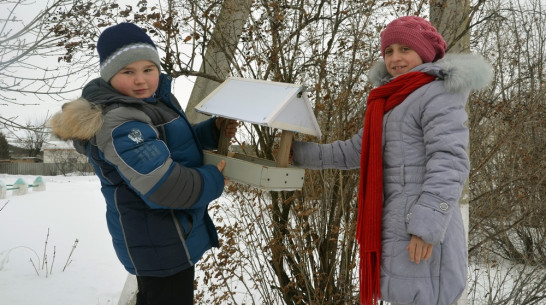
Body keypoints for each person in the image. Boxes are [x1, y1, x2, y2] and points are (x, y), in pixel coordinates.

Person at [291, 16, 492, 305]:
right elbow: (354, 151)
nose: (395, 58)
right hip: (396, 222)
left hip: (420, 226)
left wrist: (426, 226)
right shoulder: (390, 102)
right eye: (388, 51)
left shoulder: (436, 93)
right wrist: (297, 153)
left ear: (423, 52)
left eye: (404, 49)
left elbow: (449, 160)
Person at [50, 23, 238, 305]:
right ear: (110, 76)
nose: (141, 80)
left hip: (168, 236)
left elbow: (170, 145)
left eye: (148, 69)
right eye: (128, 72)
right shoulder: (120, 120)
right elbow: (164, 186)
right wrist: (213, 179)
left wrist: (211, 132)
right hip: (159, 243)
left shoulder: (150, 103)